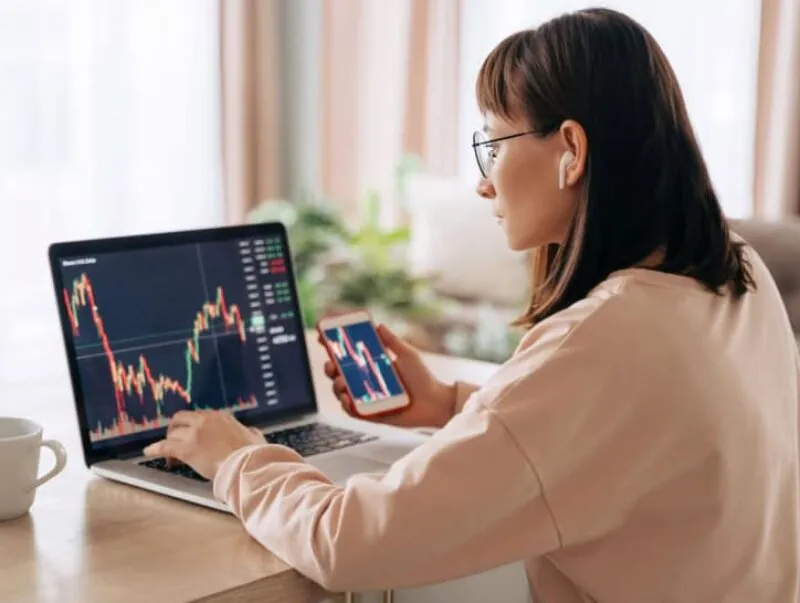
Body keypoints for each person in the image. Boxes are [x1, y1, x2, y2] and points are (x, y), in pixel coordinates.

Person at [144, 8, 800, 602]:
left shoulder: (605, 339)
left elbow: (350, 543)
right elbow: (617, 441)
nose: (484, 182)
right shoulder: (737, 273)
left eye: (492, 142)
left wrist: (235, 456)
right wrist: (450, 405)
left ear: (570, 150)